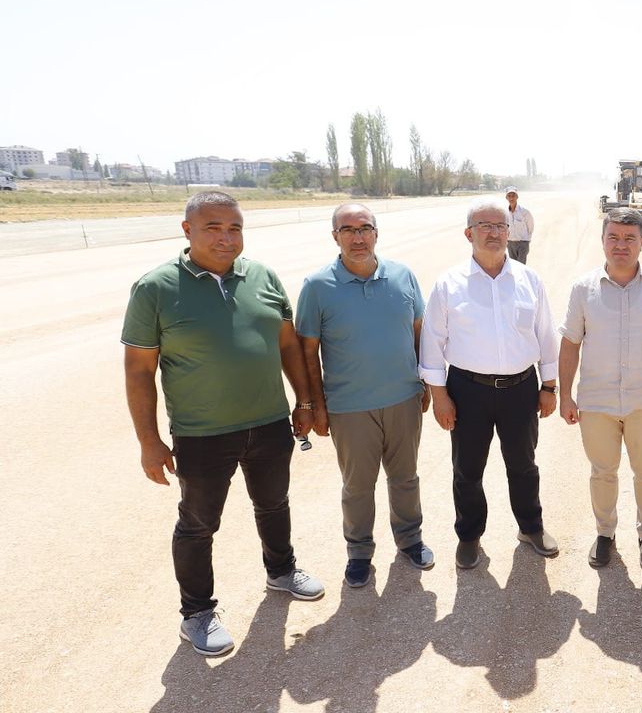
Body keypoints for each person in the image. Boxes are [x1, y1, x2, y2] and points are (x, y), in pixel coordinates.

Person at [122, 191, 324, 657]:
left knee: (273, 504)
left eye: (234, 228)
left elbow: (287, 346)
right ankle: (196, 612)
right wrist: (149, 441)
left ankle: (281, 571)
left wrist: (304, 401)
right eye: (212, 227)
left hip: (269, 423)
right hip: (202, 434)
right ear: (187, 230)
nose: (225, 238)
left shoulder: (263, 276)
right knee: (198, 524)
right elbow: (138, 371)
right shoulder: (155, 288)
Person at [296, 203, 434, 589]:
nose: (357, 237)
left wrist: (425, 382)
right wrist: (315, 405)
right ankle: (359, 552)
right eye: (348, 230)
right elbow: (307, 351)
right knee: (357, 486)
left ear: (376, 233)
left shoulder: (403, 275)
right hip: (349, 407)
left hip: (403, 399)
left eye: (364, 228)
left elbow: (419, 331)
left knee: (405, 478)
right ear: (335, 236)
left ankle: (410, 540)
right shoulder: (317, 286)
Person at [419, 197, 560, 570]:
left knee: (524, 465)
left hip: (521, 389)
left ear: (509, 232)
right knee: (467, 469)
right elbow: (432, 344)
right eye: (485, 226)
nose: (494, 233)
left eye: (500, 226)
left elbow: (546, 335)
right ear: (469, 234)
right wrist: (440, 397)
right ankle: (469, 536)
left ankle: (530, 527)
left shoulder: (529, 280)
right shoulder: (449, 284)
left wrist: (549, 387)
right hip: (468, 391)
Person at [558, 207, 642, 571]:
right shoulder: (583, 289)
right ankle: (605, 534)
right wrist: (565, 395)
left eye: (630, 238)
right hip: (596, 401)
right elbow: (570, 344)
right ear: (602, 241)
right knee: (602, 472)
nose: (621, 245)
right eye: (613, 237)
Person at [505, 186, 535, 264]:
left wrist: (526, 241)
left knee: (521, 266)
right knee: (514, 265)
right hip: (510, 243)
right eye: (509, 196)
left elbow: (530, 227)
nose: (511, 198)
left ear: (517, 197)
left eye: (513, 195)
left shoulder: (524, 212)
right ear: (506, 198)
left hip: (523, 243)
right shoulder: (505, 213)